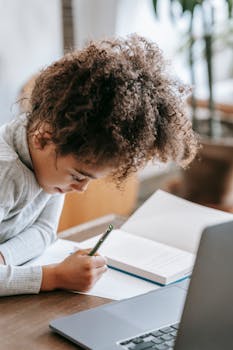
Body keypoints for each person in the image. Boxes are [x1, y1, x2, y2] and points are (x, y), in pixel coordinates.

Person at [0, 34, 198, 296]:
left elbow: (45, 231)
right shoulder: (6, 174)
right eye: (78, 175)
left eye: (90, 179)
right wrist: (54, 276)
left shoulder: (51, 163)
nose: (81, 189)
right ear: (44, 138)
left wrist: (4, 257)